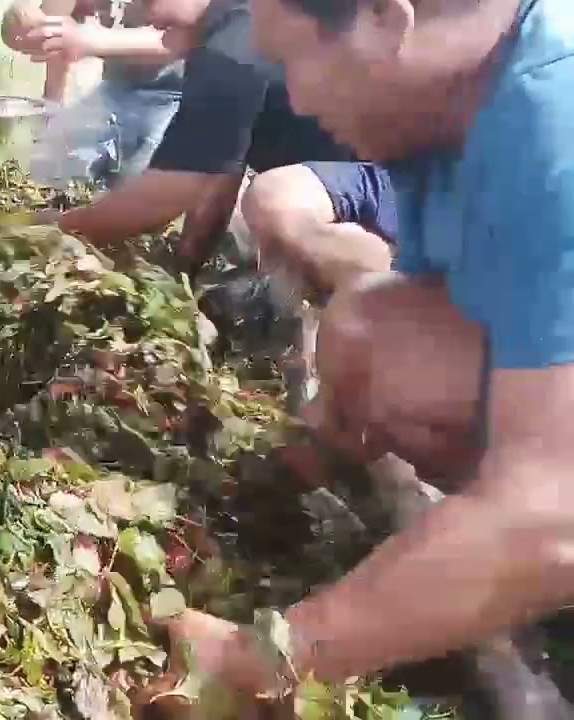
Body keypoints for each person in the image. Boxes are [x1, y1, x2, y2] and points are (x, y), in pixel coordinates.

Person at [156, 0, 574, 700]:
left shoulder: (556, 131)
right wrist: (299, 456)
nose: (292, 96)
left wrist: (260, 658)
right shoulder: (452, 110)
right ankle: (467, 559)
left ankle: (501, 570)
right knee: (367, 330)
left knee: (537, 513)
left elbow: (553, 514)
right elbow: (425, 314)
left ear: (385, 19)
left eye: (291, 61)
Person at [49, 0, 397, 292]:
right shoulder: (234, 22)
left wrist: (55, 229)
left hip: (397, 185)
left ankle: (390, 292)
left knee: (274, 206)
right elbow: (217, 176)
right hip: (355, 176)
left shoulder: (233, 43)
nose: (143, 13)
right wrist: (183, 274)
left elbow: (171, 192)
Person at [1, 0, 185, 184]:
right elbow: (51, 25)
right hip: (113, 87)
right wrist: (53, 108)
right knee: (53, 167)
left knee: (139, 186)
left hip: (173, 97)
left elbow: (180, 40)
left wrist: (87, 41)